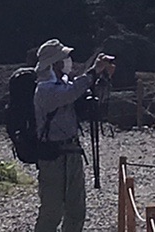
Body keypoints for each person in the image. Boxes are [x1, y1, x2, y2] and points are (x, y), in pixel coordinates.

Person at [31, 39, 114, 232]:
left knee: (76, 210)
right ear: (54, 64)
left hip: (72, 151)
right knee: (52, 212)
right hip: (53, 156)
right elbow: (70, 93)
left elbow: (80, 99)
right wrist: (93, 71)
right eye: (64, 58)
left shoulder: (63, 84)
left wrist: (101, 79)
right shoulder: (44, 90)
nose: (68, 61)